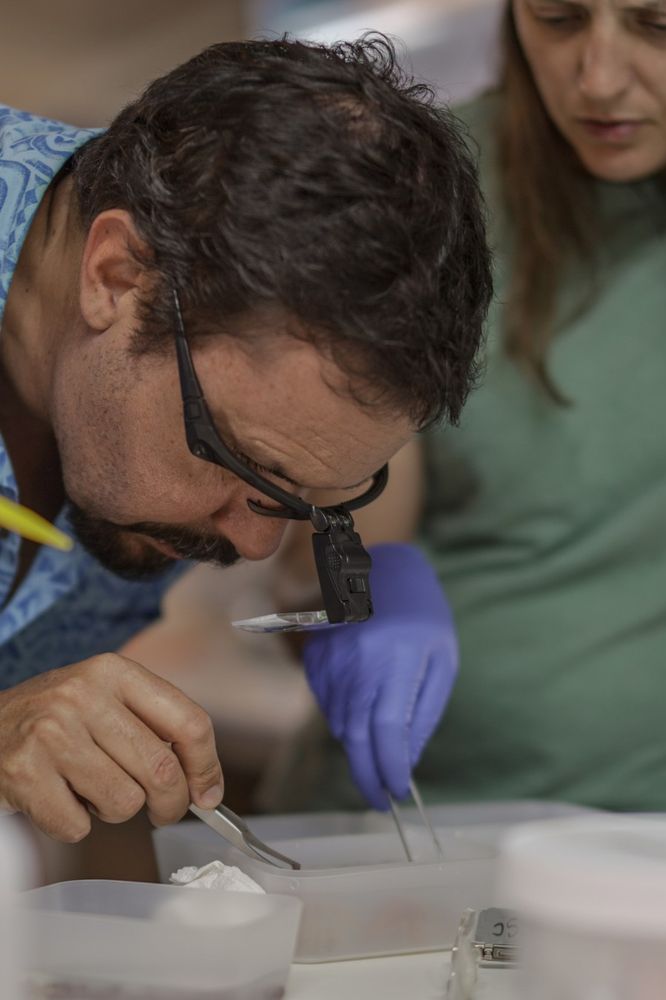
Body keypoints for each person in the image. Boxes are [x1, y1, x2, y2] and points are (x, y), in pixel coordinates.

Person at [297, 0, 666, 817]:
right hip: (411, 838)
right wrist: (362, 584)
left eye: (661, 24)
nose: (596, 79)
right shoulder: (419, 193)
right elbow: (338, 500)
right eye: (558, 18)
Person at [0, 36, 492, 842]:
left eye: (296, 498)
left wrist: (340, 594)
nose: (257, 540)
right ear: (117, 277)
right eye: (241, 462)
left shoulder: (160, 394)